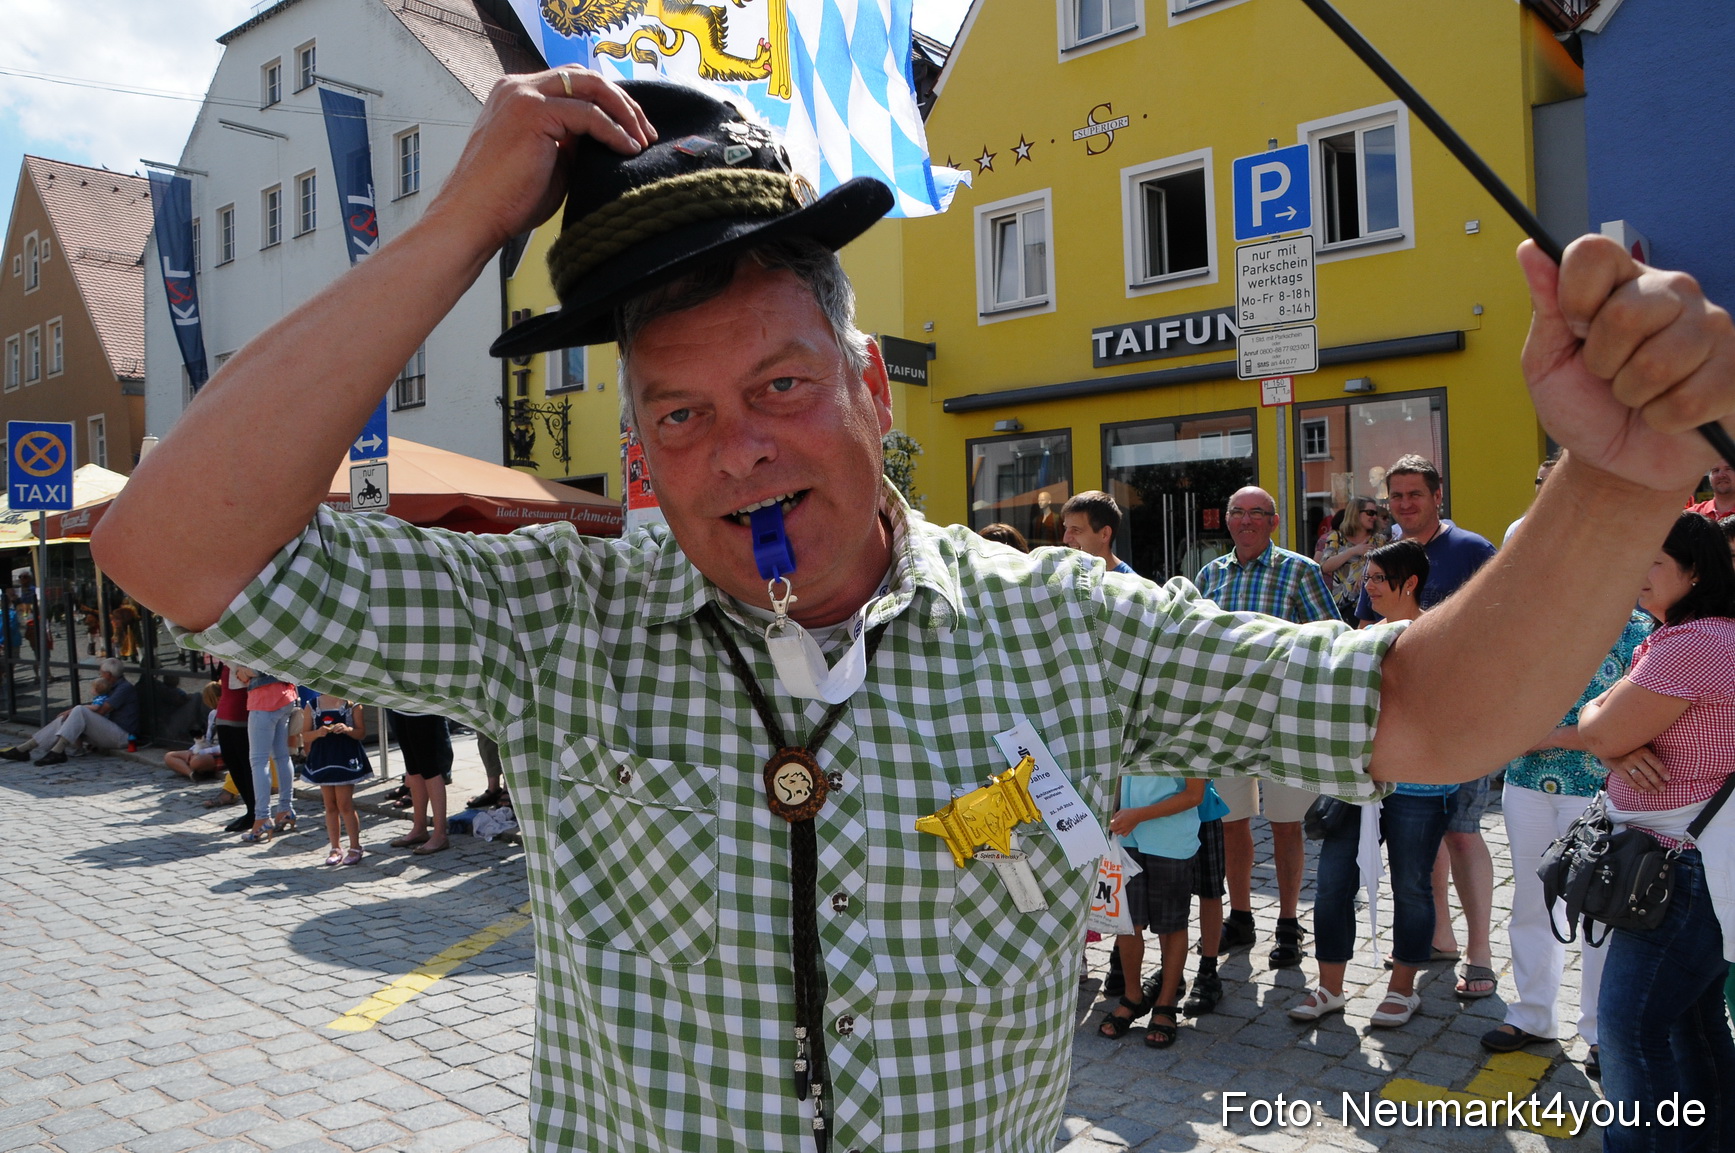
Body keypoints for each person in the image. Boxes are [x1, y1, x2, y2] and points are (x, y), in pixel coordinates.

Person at [88, 67, 1735, 1153]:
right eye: (676, 412)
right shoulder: (558, 618)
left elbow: (1429, 707)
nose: (739, 450)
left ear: (871, 386)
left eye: (783, 382)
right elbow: (170, 542)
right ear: (642, 449)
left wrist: (1609, 479)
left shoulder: (1065, 621)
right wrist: (459, 229)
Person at [1577, 511, 1735, 1148]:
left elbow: (1599, 725)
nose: (1636, 574)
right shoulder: (1687, 636)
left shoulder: (1693, 644)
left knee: (1628, 1033)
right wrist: (1609, 741)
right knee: (1691, 1026)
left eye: (1654, 562)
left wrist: (1607, 739)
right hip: (1696, 858)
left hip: (1681, 866)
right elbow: (1603, 722)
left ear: (1694, 572)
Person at [1290, 540, 1457, 1028]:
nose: (1369, 587)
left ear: (1410, 583)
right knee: (1332, 886)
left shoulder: (1436, 638)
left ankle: (1403, 989)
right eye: (1368, 578)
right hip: (1355, 784)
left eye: (1379, 578)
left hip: (1419, 787)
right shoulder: (1364, 635)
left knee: (1411, 885)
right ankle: (1330, 987)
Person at [1479, 607, 1651, 1076]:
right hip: (1527, 781)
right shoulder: (1533, 620)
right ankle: (1533, 1013)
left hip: (1598, 788)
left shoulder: (1638, 626)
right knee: (1531, 901)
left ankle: (1600, 1032)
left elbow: (1631, 722)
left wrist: (1548, 735)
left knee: (1600, 911)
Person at [1357, 455, 1500, 998]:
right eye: (1396, 496)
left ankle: (1480, 951)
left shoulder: (1471, 550)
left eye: (1414, 494)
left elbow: (1495, 631)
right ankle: (1439, 936)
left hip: (1464, 725)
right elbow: (1362, 626)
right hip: (1403, 731)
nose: (1404, 504)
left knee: (1463, 833)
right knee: (1419, 841)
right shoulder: (1384, 556)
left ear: (1437, 496)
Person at [1195, 486, 1339, 968]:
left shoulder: (1300, 570)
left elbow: (1331, 642)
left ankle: (1289, 923)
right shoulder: (1209, 575)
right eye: (1238, 512)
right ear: (1228, 520)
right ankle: (1241, 916)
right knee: (1231, 822)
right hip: (1227, 719)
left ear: (1274, 522)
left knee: (1284, 824)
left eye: (1258, 513)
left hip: (1284, 720)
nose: (1247, 521)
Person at [1096, 776, 1205, 1048]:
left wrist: (1139, 815)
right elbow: (1121, 773)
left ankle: (1166, 1003)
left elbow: (1194, 795)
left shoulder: (1190, 732)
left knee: (1172, 925)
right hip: (1126, 838)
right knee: (1128, 923)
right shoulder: (1131, 731)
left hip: (1171, 839)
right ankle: (1133, 997)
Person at [0, 656, 138, 765]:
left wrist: (72, 711)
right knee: (66, 717)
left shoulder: (123, 688)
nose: (100, 675)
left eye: (101, 673)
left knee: (78, 710)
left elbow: (101, 711)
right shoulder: (110, 687)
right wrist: (70, 713)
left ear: (108, 674)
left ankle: (58, 751)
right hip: (109, 732)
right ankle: (24, 749)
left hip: (122, 736)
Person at [300, 695, 372, 866]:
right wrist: (318, 732)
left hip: (344, 758)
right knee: (330, 805)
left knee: (345, 804)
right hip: (324, 759)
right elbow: (305, 735)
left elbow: (361, 733)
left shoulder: (352, 705)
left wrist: (347, 729)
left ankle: (355, 846)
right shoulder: (312, 705)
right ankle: (335, 847)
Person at [236, 666, 298, 843]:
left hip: (264, 699)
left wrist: (246, 672)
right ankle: (285, 809)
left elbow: (262, 667)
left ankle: (262, 818)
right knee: (282, 756)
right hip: (285, 694)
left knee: (259, 761)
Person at [387, 709, 452, 855]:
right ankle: (419, 828)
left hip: (421, 706)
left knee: (429, 768)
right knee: (413, 768)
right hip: (399, 703)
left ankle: (440, 834)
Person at [1316, 498, 1390, 621]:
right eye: (1370, 513)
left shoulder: (1379, 540)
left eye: (1375, 513)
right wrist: (1353, 551)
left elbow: (1387, 569)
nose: (1374, 517)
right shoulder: (1337, 537)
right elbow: (1324, 566)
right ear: (1356, 513)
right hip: (1343, 605)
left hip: (1372, 604)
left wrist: (1367, 575)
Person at [166, 681, 227, 779]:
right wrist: (194, 749)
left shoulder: (228, 716)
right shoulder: (212, 714)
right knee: (169, 756)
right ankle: (191, 773)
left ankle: (196, 768)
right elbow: (208, 739)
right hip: (208, 749)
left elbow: (226, 746)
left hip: (222, 752)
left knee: (196, 761)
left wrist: (202, 752)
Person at [1060, 490, 1132, 572]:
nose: (1065, 539)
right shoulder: (1065, 576)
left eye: (1076, 530)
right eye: (1066, 528)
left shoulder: (1130, 583)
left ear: (1104, 534)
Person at [1505, 452, 1561, 545]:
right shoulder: (1518, 529)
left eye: (1548, 479)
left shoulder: (1575, 525)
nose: (1542, 484)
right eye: (1539, 480)